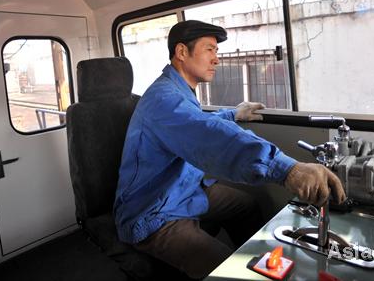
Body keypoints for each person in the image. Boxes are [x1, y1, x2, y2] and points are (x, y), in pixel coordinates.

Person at [114, 20, 346, 279]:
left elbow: (199, 123)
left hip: (185, 190)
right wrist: (287, 168)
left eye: (216, 52)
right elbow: (205, 135)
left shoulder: (178, 92)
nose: (216, 59)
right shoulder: (163, 98)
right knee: (230, 272)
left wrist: (233, 114)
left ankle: (261, 264)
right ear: (181, 52)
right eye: (210, 50)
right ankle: (243, 271)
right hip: (155, 212)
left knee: (245, 206)